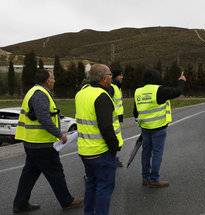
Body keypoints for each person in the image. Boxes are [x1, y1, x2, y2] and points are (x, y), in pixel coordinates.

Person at [13, 69, 83, 213]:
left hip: (32, 142)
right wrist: (60, 134)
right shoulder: (40, 94)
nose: (55, 80)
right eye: (53, 78)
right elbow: (44, 118)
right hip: (41, 144)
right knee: (55, 172)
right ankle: (67, 201)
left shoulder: (34, 91)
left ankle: (20, 203)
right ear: (47, 81)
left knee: (30, 173)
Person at [75, 64, 124, 215]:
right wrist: (114, 146)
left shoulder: (81, 93)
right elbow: (105, 126)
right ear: (104, 78)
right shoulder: (102, 96)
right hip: (101, 150)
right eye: (110, 75)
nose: (111, 77)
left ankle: (89, 212)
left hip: (85, 150)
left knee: (91, 184)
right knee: (104, 187)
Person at [134, 69, 186, 187]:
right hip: (158, 127)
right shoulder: (159, 90)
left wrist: (142, 124)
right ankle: (154, 179)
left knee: (146, 152)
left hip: (145, 127)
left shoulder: (138, 91)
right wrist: (182, 81)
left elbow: (135, 111)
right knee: (157, 153)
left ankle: (145, 178)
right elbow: (178, 92)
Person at [108, 69, 125, 167]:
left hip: (117, 117)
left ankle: (113, 158)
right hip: (112, 118)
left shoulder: (118, 87)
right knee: (113, 139)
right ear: (115, 77)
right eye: (120, 75)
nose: (122, 77)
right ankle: (111, 159)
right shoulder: (112, 87)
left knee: (115, 138)